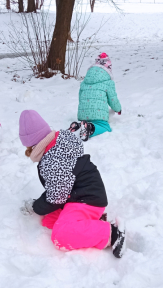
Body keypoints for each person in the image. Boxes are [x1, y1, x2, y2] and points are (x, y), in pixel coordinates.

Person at [19, 110, 126, 258]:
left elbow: (57, 195)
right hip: (79, 194)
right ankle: (88, 222)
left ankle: (111, 233)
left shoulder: (52, 160)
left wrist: (36, 206)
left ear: (33, 146)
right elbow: (59, 188)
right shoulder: (57, 144)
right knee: (49, 220)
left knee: (60, 235)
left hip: (87, 199)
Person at [69, 53, 122, 141]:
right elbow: (112, 99)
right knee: (105, 126)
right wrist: (118, 109)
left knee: (86, 122)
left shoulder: (85, 81)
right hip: (99, 115)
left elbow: (80, 97)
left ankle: (78, 125)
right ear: (108, 69)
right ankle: (89, 128)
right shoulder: (108, 82)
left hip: (83, 114)